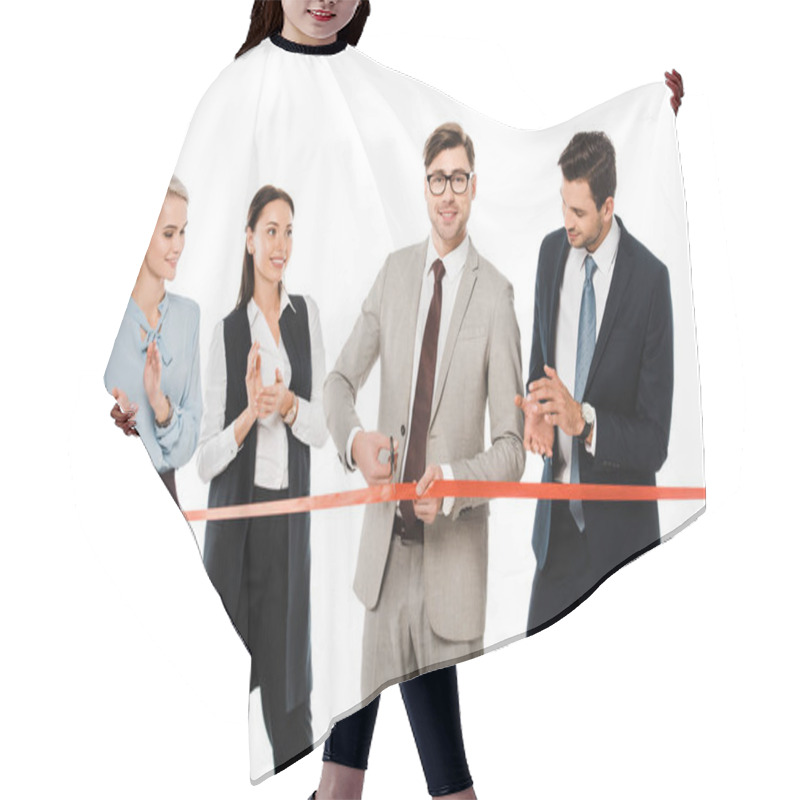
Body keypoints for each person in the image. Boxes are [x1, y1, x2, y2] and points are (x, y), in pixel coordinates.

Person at [317, 122, 525, 800]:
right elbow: (339, 384)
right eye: (438, 178)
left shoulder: (494, 298)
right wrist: (356, 443)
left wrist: (457, 483)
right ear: (425, 185)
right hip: (382, 564)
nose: (447, 193)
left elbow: (514, 449)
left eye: (460, 179)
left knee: (442, 779)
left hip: (445, 566)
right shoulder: (395, 275)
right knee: (348, 773)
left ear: (473, 188)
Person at [517, 131, 674, 631]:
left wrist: (583, 422)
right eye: (563, 205)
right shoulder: (549, 254)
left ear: (608, 207)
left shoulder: (650, 281)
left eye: (579, 212)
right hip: (556, 534)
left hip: (622, 544)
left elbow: (654, 443)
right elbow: (539, 367)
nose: (567, 222)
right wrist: (536, 414)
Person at [196, 185, 328, 771]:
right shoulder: (227, 331)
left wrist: (290, 405)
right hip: (235, 537)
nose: (280, 244)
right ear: (248, 240)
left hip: (287, 533)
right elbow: (203, 460)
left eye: (288, 231)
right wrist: (251, 413)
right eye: (270, 231)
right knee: (217, 694)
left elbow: (322, 427)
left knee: (289, 704)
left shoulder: (306, 317)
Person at [104, 176, 201, 505]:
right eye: (168, 233)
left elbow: (187, 444)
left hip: (165, 494)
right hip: (107, 496)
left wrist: (160, 404)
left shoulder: (188, 318)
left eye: (182, 231)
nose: (178, 246)